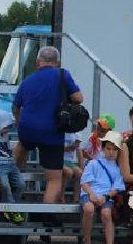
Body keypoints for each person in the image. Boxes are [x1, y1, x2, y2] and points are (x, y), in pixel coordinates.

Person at [12, 45, 84, 204]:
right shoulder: (62, 74)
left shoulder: (27, 80)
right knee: (54, 180)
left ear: (38, 62)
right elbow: (78, 98)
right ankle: (46, 213)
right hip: (52, 132)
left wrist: (19, 124)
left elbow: (15, 107)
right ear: (57, 62)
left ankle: (12, 181)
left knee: (22, 146)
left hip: (28, 129)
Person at [79, 130, 127, 244]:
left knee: (106, 213)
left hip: (106, 195)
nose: (111, 152)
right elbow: (84, 183)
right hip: (89, 193)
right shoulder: (93, 163)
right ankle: (87, 243)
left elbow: (116, 188)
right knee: (89, 209)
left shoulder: (118, 168)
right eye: (108, 149)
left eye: (114, 149)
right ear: (103, 148)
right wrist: (91, 194)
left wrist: (105, 197)